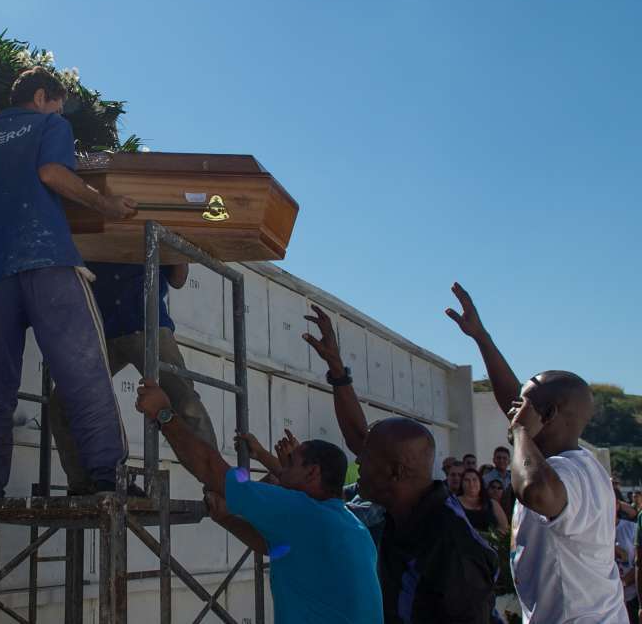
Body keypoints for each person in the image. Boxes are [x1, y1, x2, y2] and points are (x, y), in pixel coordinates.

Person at [0, 67, 137, 497]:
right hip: (47, 259)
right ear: (41, 97)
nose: (59, 112)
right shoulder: (49, 126)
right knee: (82, 370)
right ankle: (107, 476)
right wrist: (106, 206)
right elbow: (52, 174)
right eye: (57, 104)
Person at [302, 305, 497, 622]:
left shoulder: (452, 552)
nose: (358, 462)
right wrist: (336, 370)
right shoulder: (400, 505)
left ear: (395, 472)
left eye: (366, 459)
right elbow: (359, 437)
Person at [447, 282, 627, 623]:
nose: (514, 412)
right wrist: (482, 338)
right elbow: (514, 401)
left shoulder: (572, 472)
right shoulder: (575, 462)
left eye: (525, 407)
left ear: (549, 415)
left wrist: (520, 432)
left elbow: (534, 490)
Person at [135, 380, 382, 624]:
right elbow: (273, 546)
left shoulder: (303, 511)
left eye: (290, 463)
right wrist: (226, 519)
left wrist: (164, 414)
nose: (281, 469)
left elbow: (210, 468)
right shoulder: (345, 522)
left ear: (312, 473)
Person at [48, 261, 218, 495]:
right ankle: (84, 487)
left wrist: (181, 251)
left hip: (146, 322)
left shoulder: (154, 233)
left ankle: (220, 486)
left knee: (185, 401)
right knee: (62, 403)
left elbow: (178, 280)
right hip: (101, 329)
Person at [457, 468, 509, 533]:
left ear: (480, 483)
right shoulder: (454, 503)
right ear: (461, 483)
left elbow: (505, 527)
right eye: (467, 480)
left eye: (474, 479)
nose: (471, 483)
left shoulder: (492, 503)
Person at [617, 508, 639, 623]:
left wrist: (622, 583)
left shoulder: (631, 527)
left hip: (633, 598)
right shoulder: (591, 532)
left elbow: (639, 563)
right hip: (606, 600)